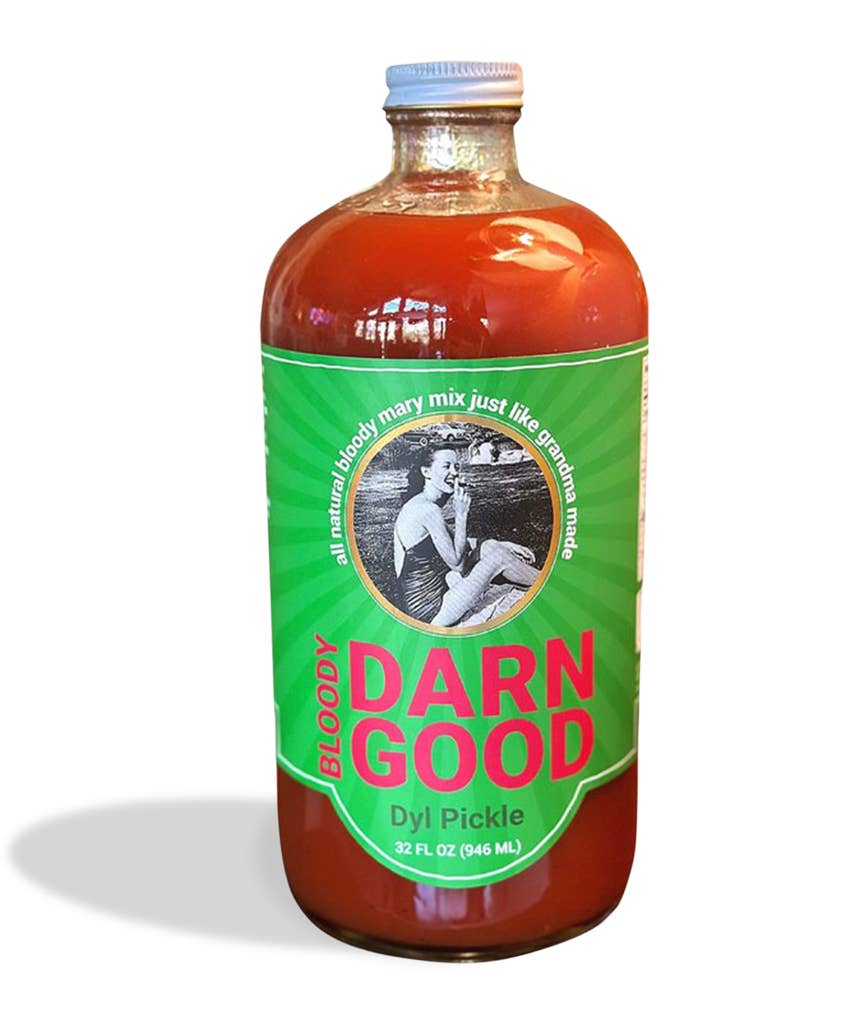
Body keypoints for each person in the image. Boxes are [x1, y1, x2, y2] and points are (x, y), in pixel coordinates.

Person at [393, 444, 541, 626]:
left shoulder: (419, 504)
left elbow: (455, 542)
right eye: (446, 466)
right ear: (426, 472)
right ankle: (549, 585)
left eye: (456, 466)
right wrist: (461, 514)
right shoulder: (428, 510)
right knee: (498, 558)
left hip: (430, 596)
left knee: (490, 546)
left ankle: (537, 579)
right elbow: (458, 564)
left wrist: (503, 544)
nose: (454, 472)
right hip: (429, 611)